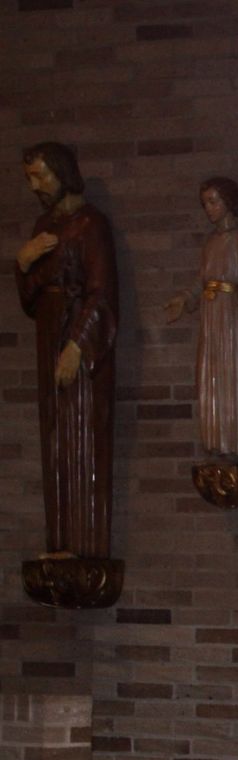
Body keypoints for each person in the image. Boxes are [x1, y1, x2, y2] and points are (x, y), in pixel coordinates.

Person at [15, 141, 117, 559]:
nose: (36, 186)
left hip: (79, 340)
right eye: (30, 179)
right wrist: (22, 264)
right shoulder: (44, 226)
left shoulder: (91, 224)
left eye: (41, 175)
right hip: (47, 334)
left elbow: (103, 291)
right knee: (55, 438)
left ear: (64, 172)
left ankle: (85, 547)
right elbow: (30, 302)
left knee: (81, 435)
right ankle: (58, 544)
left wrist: (77, 343)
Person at [166, 177, 238, 461]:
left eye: (213, 201)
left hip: (231, 317)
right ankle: (216, 441)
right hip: (211, 318)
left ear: (229, 202)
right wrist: (184, 300)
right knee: (211, 377)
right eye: (205, 203)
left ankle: (236, 442)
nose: (208, 209)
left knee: (232, 377)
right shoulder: (210, 242)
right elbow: (201, 281)